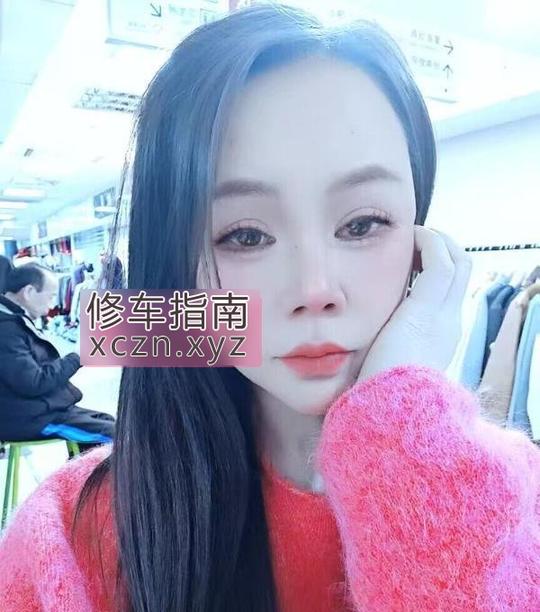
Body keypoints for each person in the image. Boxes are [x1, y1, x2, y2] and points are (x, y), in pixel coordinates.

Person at [1, 5, 539, 611]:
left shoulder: (519, 503)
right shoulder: (68, 543)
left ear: (422, 241)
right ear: (178, 263)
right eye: (246, 236)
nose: (315, 287)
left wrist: (398, 437)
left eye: (363, 224)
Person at [0, 262, 115, 449]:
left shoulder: (13, 320)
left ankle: (83, 466)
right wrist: (77, 356)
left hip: (41, 409)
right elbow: (34, 382)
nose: (52, 305)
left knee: (110, 421)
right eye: (50, 296)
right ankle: (86, 468)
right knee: (118, 436)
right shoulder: (6, 330)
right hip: (30, 418)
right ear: (29, 292)